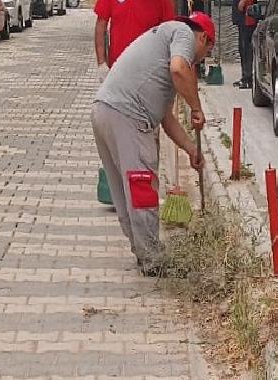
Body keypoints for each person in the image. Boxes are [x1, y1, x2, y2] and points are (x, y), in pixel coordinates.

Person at [91, 12, 215, 276]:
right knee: (142, 189)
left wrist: (191, 149)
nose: (199, 59)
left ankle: (143, 253)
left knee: (125, 194)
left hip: (104, 111)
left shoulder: (162, 43)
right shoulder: (182, 34)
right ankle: (153, 261)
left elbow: (166, 118)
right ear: (204, 38)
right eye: (205, 51)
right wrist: (196, 108)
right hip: (128, 117)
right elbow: (180, 69)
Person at [94, 0, 175, 82]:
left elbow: (169, 32)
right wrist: (102, 63)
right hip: (118, 69)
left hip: (149, 72)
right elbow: (101, 25)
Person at [232, 0, 256, 89]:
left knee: (246, 48)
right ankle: (245, 77)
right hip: (241, 18)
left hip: (247, 16)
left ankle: (248, 78)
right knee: (242, 49)